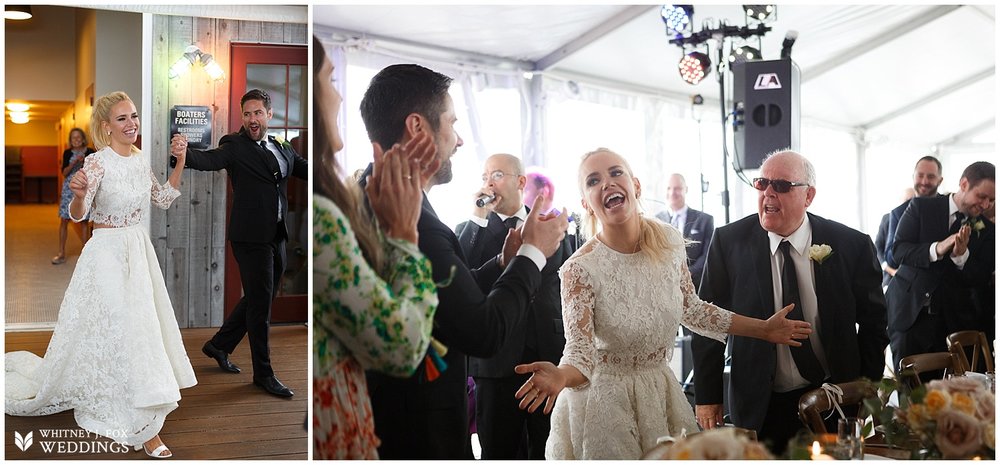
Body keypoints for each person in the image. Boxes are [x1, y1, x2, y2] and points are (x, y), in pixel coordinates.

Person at [512, 148, 813, 459]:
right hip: (605, 404)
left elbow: (692, 309)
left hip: (660, 394)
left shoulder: (667, 241)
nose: (607, 183)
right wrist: (561, 376)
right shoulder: (579, 269)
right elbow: (580, 353)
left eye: (616, 173)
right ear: (586, 203)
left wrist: (764, 330)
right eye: (593, 180)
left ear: (636, 186)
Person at [358, 63, 569, 459]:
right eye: (451, 124)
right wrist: (532, 254)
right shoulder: (415, 223)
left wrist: (501, 264)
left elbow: (439, 296)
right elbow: (481, 332)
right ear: (419, 128)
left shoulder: (373, 197)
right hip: (417, 427)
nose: (458, 140)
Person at [6, 91, 196, 458]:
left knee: (140, 329)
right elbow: (79, 214)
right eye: (123, 119)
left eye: (134, 116)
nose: (132, 124)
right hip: (106, 253)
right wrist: (77, 194)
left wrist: (180, 162)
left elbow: (162, 198)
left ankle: (143, 407)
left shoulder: (140, 161)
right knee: (122, 328)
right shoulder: (96, 163)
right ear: (106, 127)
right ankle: (143, 428)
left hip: (138, 253)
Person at [691, 150, 888, 456]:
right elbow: (707, 323)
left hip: (833, 397)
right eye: (762, 183)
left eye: (781, 186)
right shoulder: (728, 242)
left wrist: (864, 390)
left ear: (808, 196)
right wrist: (708, 396)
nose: (768, 192)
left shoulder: (851, 244)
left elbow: (875, 322)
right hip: (759, 400)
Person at [310, 37, 441, 459]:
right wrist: (404, 234)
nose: (338, 93)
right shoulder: (321, 216)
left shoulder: (344, 202)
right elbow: (402, 346)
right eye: (329, 78)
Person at [171, 89, 307, 398]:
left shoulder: (280, 145)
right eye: (247, 114)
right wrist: (182, 154)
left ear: (269, 115)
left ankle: (219, 345)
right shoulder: (235, 145)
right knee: (260, 307)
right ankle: (264, 374)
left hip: (277, 234)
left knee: (262, 297)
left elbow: (303, 169)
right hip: (249, 237)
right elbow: (209, 160)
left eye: (258, 113)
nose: (252, 119)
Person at [453, 154, 573, 459]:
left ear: (520, 182)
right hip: (495, 360)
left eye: (496, 175)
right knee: (499, 450)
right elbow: (462, 278)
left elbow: (566, 287)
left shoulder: (550, 222)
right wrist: (477, 217)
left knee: (550, 447)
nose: (488, 183)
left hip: (548, 353)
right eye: (484, 177)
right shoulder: (472, 228)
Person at [885, 161, 995, 371]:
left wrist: (961, 257)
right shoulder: (922, 207)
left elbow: (981, 277)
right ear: (964, 184)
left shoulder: (988, 230)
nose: (985, 205)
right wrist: (937, 248)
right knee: (911, 395)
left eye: (991, 200)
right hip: (910, 316)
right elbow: (897, 251)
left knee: (948, 396)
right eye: (981, 197)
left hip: (953, 324)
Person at [654, 173, 714, 291]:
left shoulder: (704, 220)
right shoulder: (656, 221)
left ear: (686, 189)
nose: (672, 192)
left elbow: (708, 254)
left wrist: (687, 275)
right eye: (669, 188)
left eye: (677, 188)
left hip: (696, 285)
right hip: (664, 286)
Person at [884, 156, 945, 270]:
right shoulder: (898, 213)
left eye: (931, 177)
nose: (924, 181)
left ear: (940, 180)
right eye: (920, 175)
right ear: (913, 177)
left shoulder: (948, 206)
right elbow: (891, 258)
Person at [52, 128, 95, 265]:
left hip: (84, 187)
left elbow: (94, 171)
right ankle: (61, 253)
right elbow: (64, 172)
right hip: (68, 189)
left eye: (78, 137)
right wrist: (73, 163)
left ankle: (85, 254)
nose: (76, 140)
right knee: (64, 220)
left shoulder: (90, 152)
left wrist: (84, 162)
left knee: (84, 221)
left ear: (83, 139)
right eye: (73, 138)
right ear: (70, 141)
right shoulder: (67, 153)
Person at [874, 187, 915, 288]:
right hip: (888, 275)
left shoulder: (917, 221)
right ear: (900, 201)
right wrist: (888, 268)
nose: (908, 204)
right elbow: (878, 246)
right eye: (906, 200)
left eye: (912, 200)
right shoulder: (887, 218)